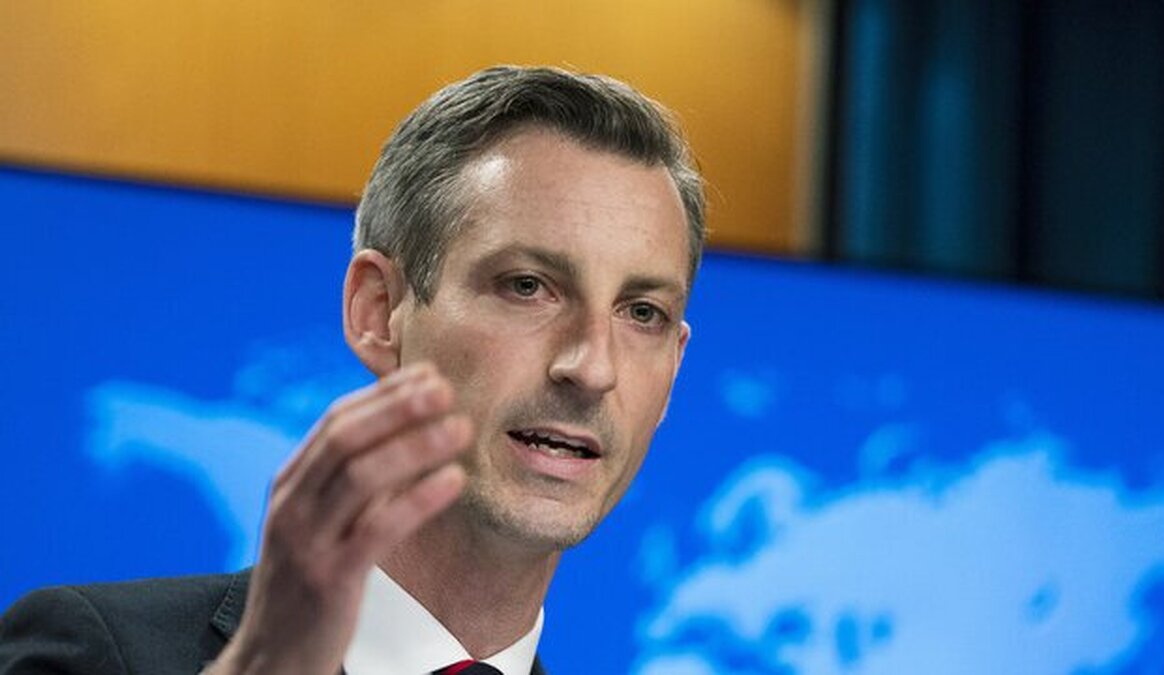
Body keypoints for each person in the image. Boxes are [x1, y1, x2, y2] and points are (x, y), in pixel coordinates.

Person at [0, 65, 706, 675]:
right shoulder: (91, 651)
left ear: (674, 368)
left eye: (642, 312)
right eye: (528, 286)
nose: (592, 366)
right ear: (379, 310)